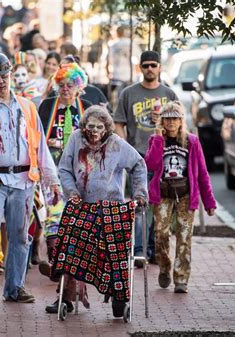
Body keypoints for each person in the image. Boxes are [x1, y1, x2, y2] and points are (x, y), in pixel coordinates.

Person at [0, 52, 60, 303]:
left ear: (11, 76)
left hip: (24, 181)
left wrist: (52, 180)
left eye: (4, 76)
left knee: (20, 235)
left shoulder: (28, 107)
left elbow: (40, 147)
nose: (1, 82)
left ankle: (15, 287)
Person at [47, 105, 147, 315]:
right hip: (82, 205)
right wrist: (72, 192)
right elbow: (64, 169)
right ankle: (65, 296)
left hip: (112, 208)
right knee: (69, 242)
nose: (93, 131)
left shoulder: (116, 144)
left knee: (117, 248)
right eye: (90, 126)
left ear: (106, 129)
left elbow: (138, 164)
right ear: (83, 127)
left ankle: (119, 296)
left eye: (99, 127)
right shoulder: (75, 139)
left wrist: (139, 193)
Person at [113, 50, 178, 266]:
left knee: (159, 205)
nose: (150, 69)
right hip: (138, 157)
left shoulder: (169, 94)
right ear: (140, 68)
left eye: (153, 65)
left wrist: (164, 125)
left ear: (160, 67)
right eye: (146, 65)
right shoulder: (128, 93)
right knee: (139, 204)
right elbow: (119, 123)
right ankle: (139, 250)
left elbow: (179, 127)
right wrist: (127, 149)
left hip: (164, 158)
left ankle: (153, 248)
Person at [145, 101, 216, 294]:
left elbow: (202, 173)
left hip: (185, 194)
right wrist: (159, 140)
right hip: (163, 194)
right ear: (161, 121)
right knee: (160, 234)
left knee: (184, 236)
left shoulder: (191, 141)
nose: (171, 123)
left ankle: (181, 278)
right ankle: (165, 267)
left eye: (175, 118)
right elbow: (150, 165)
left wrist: (209, 202)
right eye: (167, 119)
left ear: (181, 120)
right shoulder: (155, 140)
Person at [37, 62, 91, 274]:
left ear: (78, 86)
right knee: (54, 214)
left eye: (70, 85)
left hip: (80, 171)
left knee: (75, 217)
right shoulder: (47, 106)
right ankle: (55, 261)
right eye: (61, 85)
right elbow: (37, 136)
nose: (65, 89)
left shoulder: (85, 107)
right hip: (53, 168)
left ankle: (71, 261)